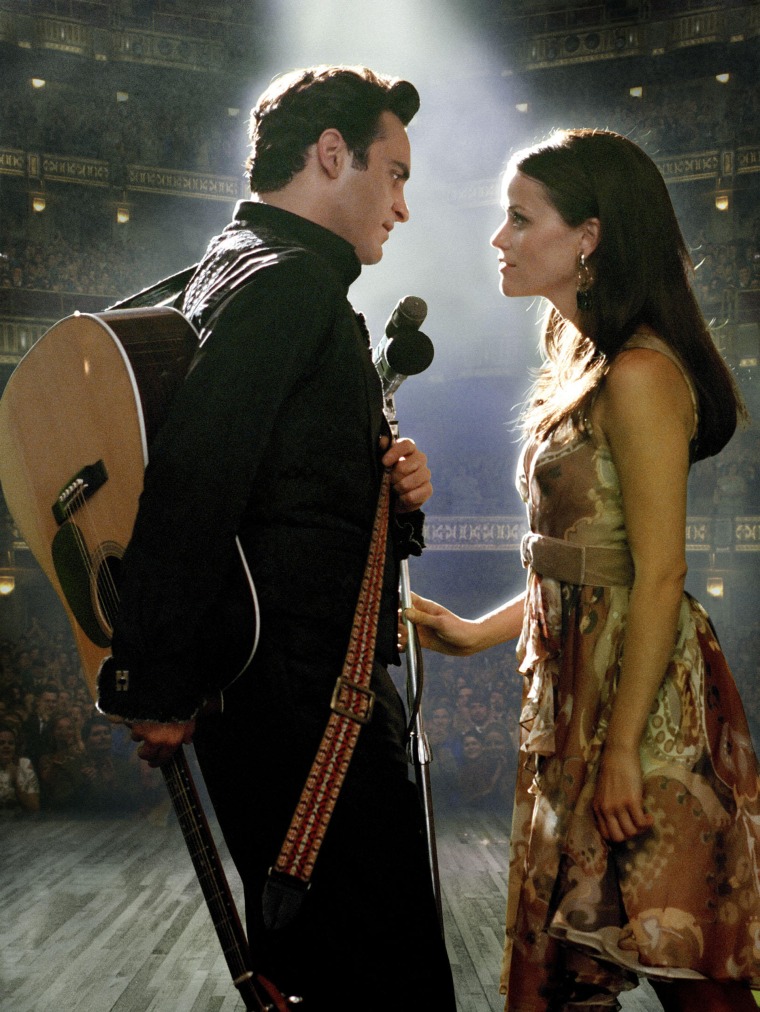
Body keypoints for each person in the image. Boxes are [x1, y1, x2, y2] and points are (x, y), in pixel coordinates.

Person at [97, 65, 455, 1011]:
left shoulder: (233, 264)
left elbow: (281, 485)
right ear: (332, 155)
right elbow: (195, 478)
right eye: (395, 173)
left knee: (312, 968)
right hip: (310, 705)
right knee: (386, 980)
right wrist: (156, 680)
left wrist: (391, 483)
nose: (403, 206)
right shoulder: (293, 284)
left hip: (278, 696)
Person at [404, 129, 759, 1011]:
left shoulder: (639, 373)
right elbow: (584, 570)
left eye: (521, 219)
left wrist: (626, 750)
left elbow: (660, 571)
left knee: (688, 969)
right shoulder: (585, 365)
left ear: (589, 237)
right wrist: (475, 630)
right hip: (578, 706)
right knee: (570, 977)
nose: (500, 238)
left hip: (645, 714)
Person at [0, 721, 40, 813]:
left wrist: (15, 783)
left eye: (10, 743)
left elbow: (34, 807)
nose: (6, 746)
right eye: (1, 743)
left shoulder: (24, 765)